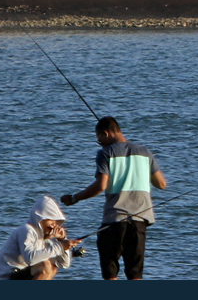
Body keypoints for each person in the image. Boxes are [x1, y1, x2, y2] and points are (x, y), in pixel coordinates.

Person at [62, 116, 166, 281]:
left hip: (114, 219)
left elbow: (101, 185)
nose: (100, 143)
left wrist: (75, 198)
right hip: (140, 220)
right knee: (135, 275)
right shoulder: (145, 152)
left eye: (99, 139)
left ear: (106, 133)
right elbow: (161, 184)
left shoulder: (105, 153)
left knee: (110, 274)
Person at [0, 195, 81, 280]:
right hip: (6, 277)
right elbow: (30, 258)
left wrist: (62, 241)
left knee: (53, 268)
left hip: (20, 275)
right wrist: (60, 246)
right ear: (40, 217)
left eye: (56, 221)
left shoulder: (46, 238)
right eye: (51, 220)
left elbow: (63, 264)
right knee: (45, 266)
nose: (54, 225)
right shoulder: (26, 230)